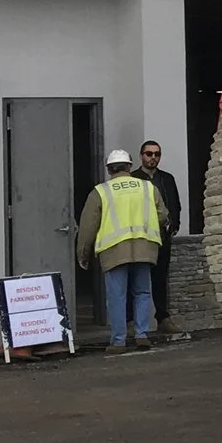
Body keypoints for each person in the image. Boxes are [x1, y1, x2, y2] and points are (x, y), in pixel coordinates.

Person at [76, 148, 163, 352]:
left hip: (114, 249)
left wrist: (83, 253)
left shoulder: (101, 191)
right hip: (145, 246)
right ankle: (142, 335)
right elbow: (162, 215)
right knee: (142, 292)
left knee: (117, 296)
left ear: (109, 169)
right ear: (129, 167)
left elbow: (88, 225)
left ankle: (118, 340)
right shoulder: (147, 188)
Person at [137, 139, 182, 336]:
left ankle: (163, 317)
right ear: (142, 156)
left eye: (157, 154)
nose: (153, 158)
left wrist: (174, 225)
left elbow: (175, 203)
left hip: (163, 236)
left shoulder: (167, 178)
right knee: (138, 279)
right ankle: (137, 323)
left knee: (160, 278)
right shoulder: (134, 179)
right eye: (149, 154)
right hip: (142, 237)